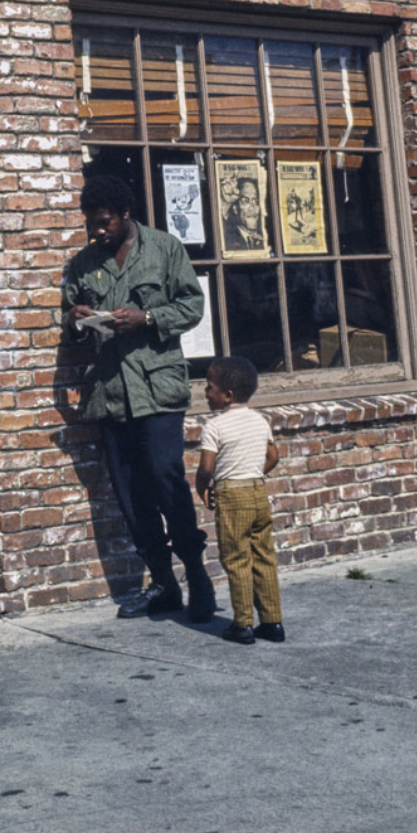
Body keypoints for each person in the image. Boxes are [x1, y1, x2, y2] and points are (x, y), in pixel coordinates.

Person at [63, 173, 215, 621]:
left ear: (126, 214)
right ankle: (163, 585)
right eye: (92, 224)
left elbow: (192, 306)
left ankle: (197, 577)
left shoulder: (165, 249)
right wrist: (76, 318)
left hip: (158, 391)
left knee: (167, 481)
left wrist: (147, 317)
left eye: (105, 223)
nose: (97, 231)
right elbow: (70, 322)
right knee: (131, 496)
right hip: (110, 394)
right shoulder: (83, 263)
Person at [195, 356, 284, 646]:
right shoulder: (260, 421)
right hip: (258, 491)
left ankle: (243, 624)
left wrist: (203, 487)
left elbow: (207, 467)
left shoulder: (214, 426)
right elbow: (273, 456)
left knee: (236, 559)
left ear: (227, 395)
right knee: (263, 556)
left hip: (232, 495)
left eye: (209, 388)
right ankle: (272, 622)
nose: (206, 394)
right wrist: (254, 473)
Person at [222, 176, 267, 254]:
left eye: (256, 201)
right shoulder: (228, 238)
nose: (252, 208)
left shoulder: (263, 240)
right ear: (235, 209)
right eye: (245, 201)